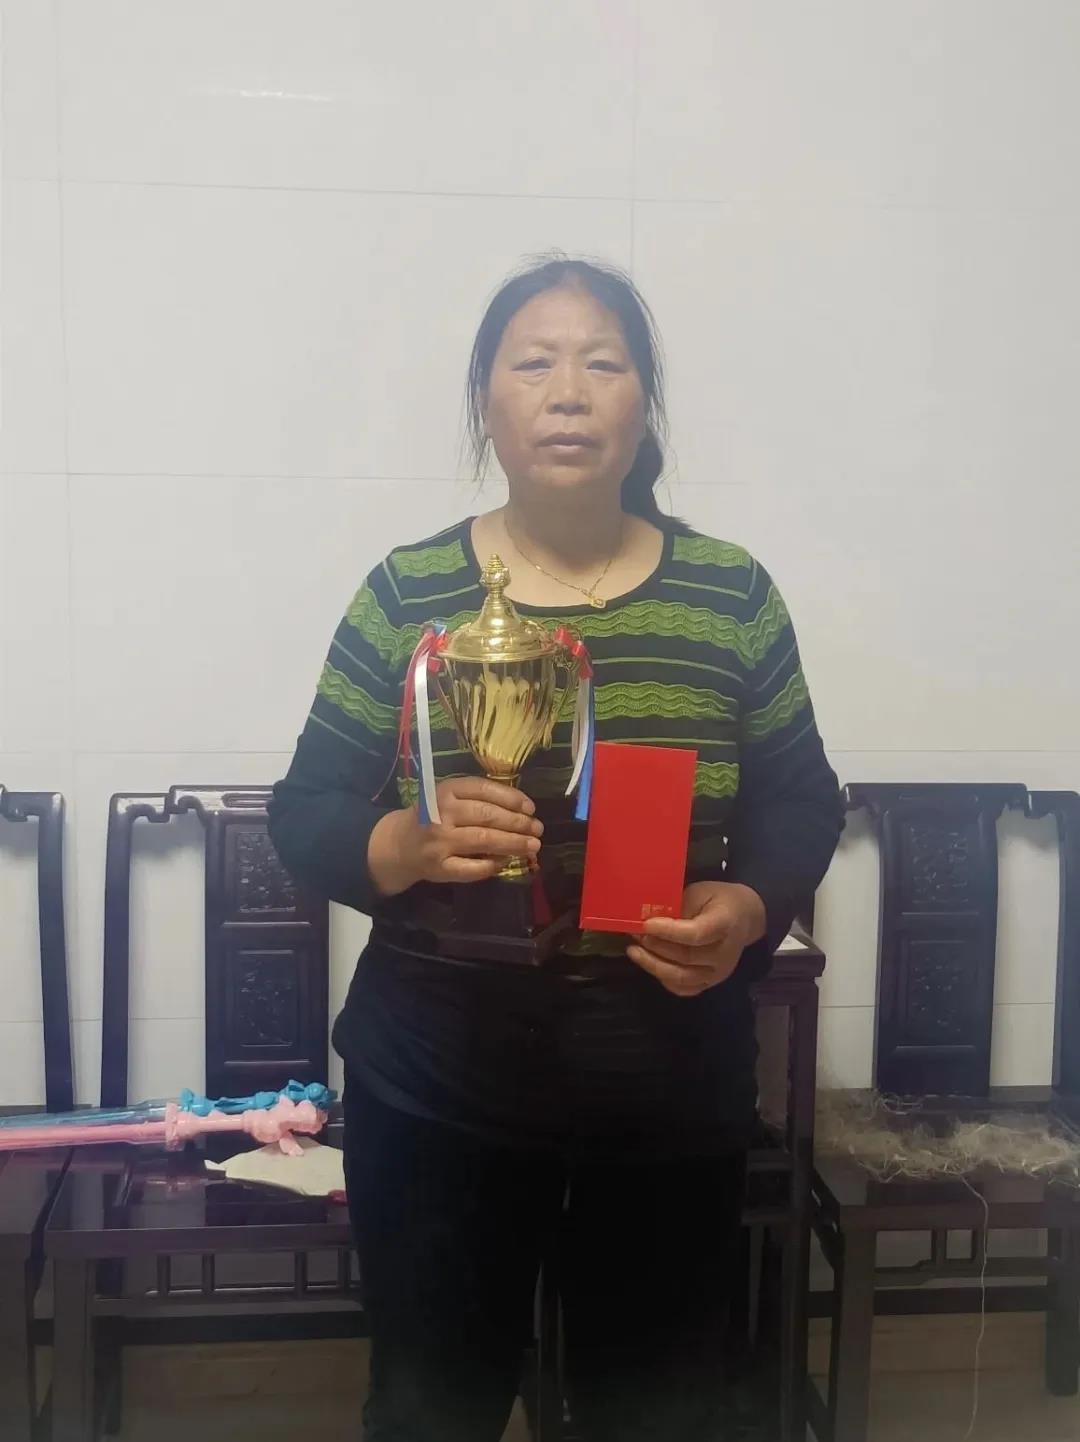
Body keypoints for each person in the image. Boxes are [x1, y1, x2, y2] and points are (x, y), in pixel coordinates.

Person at [269, 254, 844, 1442]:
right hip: (437, 1084)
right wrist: (401, 840)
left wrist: (746, 905)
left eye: (603, 363)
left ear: (645, 403)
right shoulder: (408, 593)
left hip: (669, 1082)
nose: (568, 391)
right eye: (533, 363)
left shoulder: (733, 595)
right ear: (487, 401)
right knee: (430, 1406)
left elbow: (802, 801)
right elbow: (305, 808)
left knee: (660, 1409)